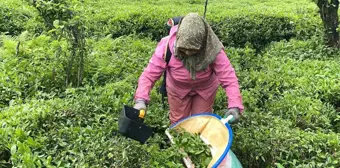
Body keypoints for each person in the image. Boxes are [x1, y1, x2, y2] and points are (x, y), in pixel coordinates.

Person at [133, 13, 244, 125]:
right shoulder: (167, 46)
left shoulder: (213, 49)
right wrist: (141, 100)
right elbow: (149, 75)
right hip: (177, 89)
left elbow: (229, 78)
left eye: (193, 50)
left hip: (205, 89)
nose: (188, 53)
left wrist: (235, 106)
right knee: (179, 122)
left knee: (201, 121)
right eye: (184, 49)